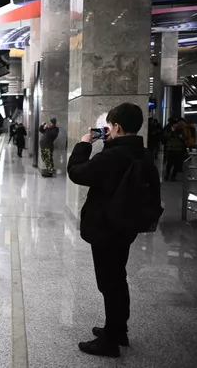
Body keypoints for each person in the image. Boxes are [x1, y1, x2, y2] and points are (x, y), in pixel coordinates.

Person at [67, 102, 161, 358]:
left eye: (110, 125)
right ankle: (118, 330)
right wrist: (109, 143)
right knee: (117, 277)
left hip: (106, 227)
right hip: (125, 225)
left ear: (116, 126)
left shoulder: (110, 157)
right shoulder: (142, 153)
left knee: (109, 283)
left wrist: (86, 143)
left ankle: (109, 341)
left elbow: (76, 172)